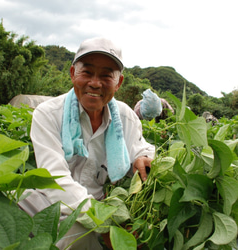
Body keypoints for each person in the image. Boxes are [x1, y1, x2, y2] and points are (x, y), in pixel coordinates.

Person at [18, 37, 155, 249]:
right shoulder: (48, 114)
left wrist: (143, 158)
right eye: (87, 72)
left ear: (118, 83)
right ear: (73, 74)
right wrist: (106, 224)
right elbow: (54, 179)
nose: (95, 83)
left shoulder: (125, 117)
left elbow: (141, 148)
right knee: (9, 204)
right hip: (50, 202)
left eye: (106, 76)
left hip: (100, 204)